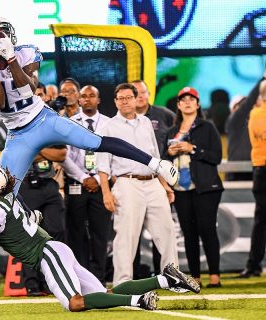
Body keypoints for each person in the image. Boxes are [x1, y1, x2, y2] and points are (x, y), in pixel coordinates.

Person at [0, 162, 200, 312]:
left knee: (75, 303)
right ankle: (165, 279)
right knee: (105, 297)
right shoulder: (2, 198)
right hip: (55, 248)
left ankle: (140, 300)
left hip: (47, 255)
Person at [0, 16, 179, 195]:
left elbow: (28, 89)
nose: (0, 36)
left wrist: (11, 59)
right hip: (18, 134)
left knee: (95, 142)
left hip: (44, 120)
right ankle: (27, 224)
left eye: (3, 31)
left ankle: (156, 164)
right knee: (4, 191)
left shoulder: (25, 53)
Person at [97, 83, 178, 286]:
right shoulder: (107, 126)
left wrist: (165, 185)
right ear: (115, 102)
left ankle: (174, 279)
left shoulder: (146, 123)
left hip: (152, 183)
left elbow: (155, 157)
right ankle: (122, 282)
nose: (124, 101)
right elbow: (102, 165)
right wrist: (106, 193)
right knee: (126, 235)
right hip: (126, 183)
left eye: (128, 97)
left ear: (136, 100)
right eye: (120, 98)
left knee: (167, 231)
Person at [164, 87, 224, 288]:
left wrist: (193, 149)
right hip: (181, 190)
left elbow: (216, 157)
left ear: (198, 104)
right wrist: (170, 153)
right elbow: (163, 161)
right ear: (179, 105)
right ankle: (195, 278)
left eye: (192, 99)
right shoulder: (171, 132)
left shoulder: (207, 127)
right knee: (188, 232)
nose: (188, 102)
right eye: (183, 99)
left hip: (206, 187)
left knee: (207, 230)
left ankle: (214, 276)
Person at [60, 85, 111, 284]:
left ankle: (99, 278)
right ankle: (81, 278)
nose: (88, 99)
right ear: (79, 101)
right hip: (77, 183)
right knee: (76, 233)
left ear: (98, 100)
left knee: (101, 233)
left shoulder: (109, 123)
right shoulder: (70, 124)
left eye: (92, 96)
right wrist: (83, 177)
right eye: (84, 96)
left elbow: (113, 155)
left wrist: (98, 179)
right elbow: (64, 156)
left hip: (101, 184)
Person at [132, 80, 176, 277]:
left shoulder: (164, 114)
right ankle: (134, 275)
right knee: (132, 232)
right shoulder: (119, 120)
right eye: (136, 93)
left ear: (149, 93)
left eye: (143, 92)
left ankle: (166, 273)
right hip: (133, 180)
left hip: (161, 178)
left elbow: (177, 136)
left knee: (163, 229)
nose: (141, 96)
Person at [19, 145, 67, 296]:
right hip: (27, 185)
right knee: (30, 235)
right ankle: (32, 284)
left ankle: (49, 281)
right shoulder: (19, 130)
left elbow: (61, 155)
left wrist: (36, 148)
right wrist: (46, 152)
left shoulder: (50, 132)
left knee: (56, 231)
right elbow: (21, 157)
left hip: (50, 184)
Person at [238, 79, 266, 278]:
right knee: (261, 219)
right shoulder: (257, 114)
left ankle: (254, 264)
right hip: (263, 169)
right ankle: (254, 264)